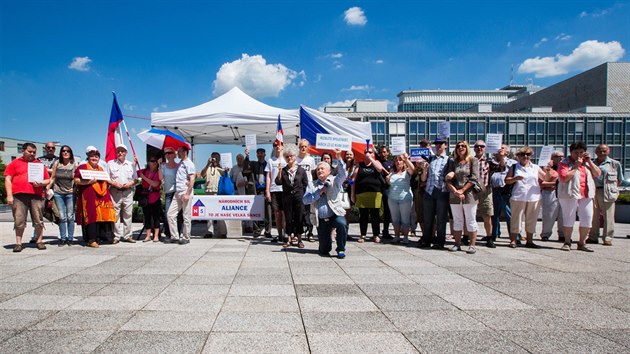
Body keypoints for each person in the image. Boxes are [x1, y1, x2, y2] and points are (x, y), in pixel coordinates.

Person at [4, 143, 51, 252]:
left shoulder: (39, 164)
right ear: (23, 151)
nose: (32, 154)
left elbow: (47, 180)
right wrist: (9, 195)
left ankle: (39, 241)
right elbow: (7, 179)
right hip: (19, 196)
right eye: (30, 151)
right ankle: (18, 243)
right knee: (19, 219)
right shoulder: (14, 163)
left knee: (38, 219)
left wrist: (40, 183)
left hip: (36, 196)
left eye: (34, 152)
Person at [303, 149, 348, 258]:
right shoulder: (312, 185)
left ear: (329, 171)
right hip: (321, 220)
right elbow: (305, 200)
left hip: (335, 215)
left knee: (342, 223)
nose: (319, 171)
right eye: (318, 169)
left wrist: (339, 157)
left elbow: (343, 174)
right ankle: (324, 244)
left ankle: (341, 248)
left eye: (322, 169)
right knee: (324, 250)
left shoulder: (334, 181)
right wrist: (319, 192)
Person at [557, 142, 601, 252]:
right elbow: (564, 178)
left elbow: (597, 173)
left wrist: (589, 161)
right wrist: (576, 167)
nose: (579, 155)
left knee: (587, 218)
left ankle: (582, 242)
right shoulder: (564, 163)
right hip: (569, 194)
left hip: (586, 194)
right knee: (569, 218)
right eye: (576, 152)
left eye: (581, 152)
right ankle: (567, 241)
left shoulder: (587, 163)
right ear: (571, 152)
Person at [505, 146, 549, 249]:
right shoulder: (514, 166)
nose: (525, 156)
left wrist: (548, 169)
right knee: (516, 219)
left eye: (528, 154)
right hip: (518, 196)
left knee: (532, 219)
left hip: (534, 197)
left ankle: (530, 241)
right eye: (523, 154)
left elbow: (546, 178)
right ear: (518, 156)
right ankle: (513, 240)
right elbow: (507, 180)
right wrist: (515, 178)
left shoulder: (536, 167)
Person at [74, 146, 116, 248]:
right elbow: (76, 180)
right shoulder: (82, 167)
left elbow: (106, 181)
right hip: (88, 197)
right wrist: (88, 182)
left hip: (101, 196)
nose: (94, 158)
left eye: (96, 157)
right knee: (91, 216)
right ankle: (91, 239)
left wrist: (115, 184)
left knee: (103, 216)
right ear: (88, 157)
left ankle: (102, 237)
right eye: (92, 156)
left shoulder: (101, 169)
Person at [588, 144, 630, 245]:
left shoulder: (615, 164)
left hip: (608, 191)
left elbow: (620, 180)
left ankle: (608, 237)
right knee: (593, 216)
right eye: (600, 151)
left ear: (608, 151)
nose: (602, 153)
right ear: (596, 152)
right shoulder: (591, 163)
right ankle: (593, 237)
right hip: (594, 191)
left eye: (604, 151)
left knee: (609, 216)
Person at [445, 141, 480, 254]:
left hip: (469, 195)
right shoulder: (453, 162)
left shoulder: (473, 160)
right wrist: (455, 191)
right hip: (455, 195)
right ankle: (457, 244)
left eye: (463, 146)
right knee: (457, 220)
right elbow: (447, 179)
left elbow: (474, 178)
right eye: (458, 146)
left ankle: (472, 245)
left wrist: (462, 190)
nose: (460, 148)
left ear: (467, 148)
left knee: (470, 219)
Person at [419, 137, 450, 250]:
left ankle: (440, 241)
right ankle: (427, 240)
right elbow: (423, 179)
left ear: (445, 145)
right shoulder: (430, 159)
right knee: (428, 218)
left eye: (441, 143)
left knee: (441, 219)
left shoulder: (449, 160)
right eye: (436, 143)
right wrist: (424, 170)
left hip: (442, 191)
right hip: (429, 191)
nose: (438, 145)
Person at [351, 146, 387, 243]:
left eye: (370, 152)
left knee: (375, 215)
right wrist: (352, 194)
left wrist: (371, 159)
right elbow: (353, 180)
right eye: (366, 152)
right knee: (363, 215)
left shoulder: (377, 163)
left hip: (375, 193)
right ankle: (363, 235)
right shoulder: (359, 165)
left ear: (373, 154)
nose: (368, 153)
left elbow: (380, 169)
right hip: (362, 194)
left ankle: (376, 235)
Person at [275, 144, 309, 248]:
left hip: (299, 197)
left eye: (291, 156)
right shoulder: (283, 170)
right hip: (287, 198)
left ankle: (299, 239)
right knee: (288, 218)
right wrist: (279, 172)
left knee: (299, 218)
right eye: (287, 156)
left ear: (295, 156)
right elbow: (278, 182)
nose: (289, 158)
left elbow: (305, 183)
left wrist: (300, 192)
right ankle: (288, 238)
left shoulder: (301, 170)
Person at [106, 144, 137, 243]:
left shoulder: (131, 164)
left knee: (128, 214)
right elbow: (107, 178)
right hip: (115, 191)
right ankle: (116, 236)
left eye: (122, 151)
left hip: (127, 192)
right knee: (115, 214)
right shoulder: (110, 164)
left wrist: (129, 184)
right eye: (118, 151)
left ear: (126, 153)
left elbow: (135, 179)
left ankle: (128, 235)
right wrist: (114, 183)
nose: (120, 153)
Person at [488, 144, 518, 248]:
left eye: (502, 148)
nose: (499, 149)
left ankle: (514, 236)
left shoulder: (512, 162)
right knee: (494, 214)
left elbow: (503, 168)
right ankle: (494, 234)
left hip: (506, 190)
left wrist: (501, 158)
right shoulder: (491, 162)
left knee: (508, 213)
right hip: (494, 189)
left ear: (507, 152)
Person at [48, 145, 78, 246]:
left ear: (71, 153)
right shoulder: (57, 163)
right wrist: (48, 186)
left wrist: (74, 189)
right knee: (62, 216)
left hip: (70, 193)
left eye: (68, 151)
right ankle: (63, 238)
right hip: (58, 193)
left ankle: (70, 238)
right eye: (63, 151)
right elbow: (53, 177)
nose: (65, 153)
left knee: (70, 216)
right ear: (61, 153)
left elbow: (76, 179)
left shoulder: (73, 164)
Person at [166, 145, 196, 245]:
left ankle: (186, 237)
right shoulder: (180, 163)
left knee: (186, 216)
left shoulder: (189, 164)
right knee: (170, 214)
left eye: (179, 151)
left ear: (185, 152)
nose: (177, 153)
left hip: (184, 191)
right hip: (178, 191)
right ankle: (175, 236)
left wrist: (187, 193)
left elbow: (192, 179)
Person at [385, 153, 415, 244]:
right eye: (396, 160)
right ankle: (397, 236)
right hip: (392, 198)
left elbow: (413, 170)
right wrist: (388, 181)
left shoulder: (407, 172)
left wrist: (406, 159)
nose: (398, 162)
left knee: (405, 219)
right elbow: (391, 185)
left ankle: (405, 237)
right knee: (395, 219)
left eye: (400, 160)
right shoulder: (391, 172)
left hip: (405, 199)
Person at [245, 147, 272, 238]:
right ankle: (257, 230)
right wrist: (247, 156)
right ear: (256, 155)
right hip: (256, 191)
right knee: (255, 212)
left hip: (266, 191)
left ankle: (268, 231)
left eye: (262, 153)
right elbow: (245, 169)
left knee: (268, 212)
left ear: (265, 154)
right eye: (258, 153)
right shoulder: (253, 164)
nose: (260, 155)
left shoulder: (268, 164)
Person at [540, 151, 565, 242]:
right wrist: (549, 169)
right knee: (549, 214)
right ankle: (545, 234)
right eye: (558, 156)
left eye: (562, 156)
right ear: (553, 158)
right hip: (550, 192)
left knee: (563, 215)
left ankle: (562, 234)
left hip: (563, 192)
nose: (561, 158)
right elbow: (543, 182)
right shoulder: (546, 168)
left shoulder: (565, 167)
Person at [265, 141, 287, 242]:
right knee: (277, 213)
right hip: (274, 189)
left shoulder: (286, 159)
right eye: (275, 145)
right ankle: (279, 234)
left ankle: (286, 234)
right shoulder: (270, 160)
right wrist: (267, 190)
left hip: (284, 190)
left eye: (279, 144)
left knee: (284, 213)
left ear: (283, 146)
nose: (277, 146)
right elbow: (268, 176)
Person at [200, 152, 226, 238]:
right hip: (208, 191)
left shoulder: (220, 168)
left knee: (220, 213)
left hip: (218, 192)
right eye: (213, 158)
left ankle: (222, 232)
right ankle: (209, 231)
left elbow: (225, 174)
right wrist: (208, 164)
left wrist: (218, 165)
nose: (214, 159)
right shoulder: (208, 167)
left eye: (216, 158)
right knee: (209, 213)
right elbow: (202, 174)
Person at [473, 140, 493, 243]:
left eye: (482, 146)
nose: (479, 148)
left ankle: (489, 237)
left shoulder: (490, 162)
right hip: (472, 192)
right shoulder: (471, 160)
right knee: (470, 216)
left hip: (485, 192)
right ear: (474, 148)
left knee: (487, 215)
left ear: (485, 148)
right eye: (477, 146)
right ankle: (468, 236)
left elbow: (501, 168)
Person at [297, 139, 317, 240]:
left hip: (308, 187)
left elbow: (313, 174)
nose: (303, 148)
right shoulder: (296, 160)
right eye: (302, 146)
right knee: (299, 210)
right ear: (299, 147)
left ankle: (310, 232)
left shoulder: (311, 159)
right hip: (298, 188)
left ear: (308, 147)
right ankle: (298, 232)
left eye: (305, 146)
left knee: (308, 211)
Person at [161, 147, 182, 240]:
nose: (168, 155)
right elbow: (160, 178)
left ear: (175, 155)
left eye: (170, 153)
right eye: (166, 153)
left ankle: (178, 232)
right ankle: (169, 233)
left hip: (177, 191)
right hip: (168, 192)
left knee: (178, 214)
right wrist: (159, 166)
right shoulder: (163, 166)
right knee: (167, 214)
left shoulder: (179, 166)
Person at [138, 158, 162, 242]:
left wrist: (144, 178)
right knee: (147, 216)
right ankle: (147, 235)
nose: (154, 162)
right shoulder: (144, 171)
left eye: (155, 161)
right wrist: (135, 162)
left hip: (155, 197)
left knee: (156, 217)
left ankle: (156, 236)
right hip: (145, 197)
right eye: (152, 161)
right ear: (148, 162)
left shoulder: (158, 172)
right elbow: (134, 172)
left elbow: (155, 184)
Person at [378, 145, 394, 239]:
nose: (383, 154)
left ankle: (386, 231)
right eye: (381, 152)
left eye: (384, 152)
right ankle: (376, 232)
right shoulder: (377, 162)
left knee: (387, 211)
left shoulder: (391, 163)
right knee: (376, 211)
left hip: (387, 189)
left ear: (388, 153)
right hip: (378, 188)